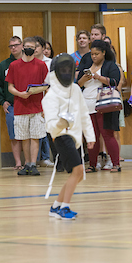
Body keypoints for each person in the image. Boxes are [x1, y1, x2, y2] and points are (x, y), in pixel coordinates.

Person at [44, 54, 96, 220]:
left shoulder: (74, 90)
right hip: (61, 136)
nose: (66, 72)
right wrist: (61, 122)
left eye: (69, 69)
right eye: (63, 69)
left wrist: (90, 136)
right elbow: (51, 125)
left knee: (78, 174)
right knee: (78, 170)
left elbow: (84, 114)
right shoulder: (50, 96)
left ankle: (56, 206)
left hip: (75, 137)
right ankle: (65, 208)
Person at [6, 37, 49, 176]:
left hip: (37, 106)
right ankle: (27, 163)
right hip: (20, 106)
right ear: (23, 47)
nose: (30, 49)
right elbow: (10, 87)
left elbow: (47, 86)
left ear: (36, 49)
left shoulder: (42, 65)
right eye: (27, 46)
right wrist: (20, 93)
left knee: (36, 136)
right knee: (24, 136)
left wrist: (45, 107)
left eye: (33, 47)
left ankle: (33, 164)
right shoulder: (14, 65)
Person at [77, 40, 121, 172]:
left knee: (107, 134)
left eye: (97, 54)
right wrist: (84, 79)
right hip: (87, 104)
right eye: (92, 54)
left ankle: (116, 163)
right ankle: (92, 164)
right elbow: (78, 83)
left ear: (103, 53)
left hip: (104, 104)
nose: (94, 56)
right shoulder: (87, 65)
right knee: (91, 136)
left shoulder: (110, 65)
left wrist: (98, 77)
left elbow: (114, 82)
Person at [0, 36, 24, 170]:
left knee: (29, 135)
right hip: (12, 105)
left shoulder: (28, 62)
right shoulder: (4, 65)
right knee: (14, 135)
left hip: (27, 104)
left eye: (16, 45)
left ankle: (30, 162)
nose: (13, 48)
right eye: (11, 46)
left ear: (22, 46)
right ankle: (18, 162)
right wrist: (2, 102)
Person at [34, 35, 55, 168]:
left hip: (49, 102)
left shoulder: (51, 63)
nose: (34, 49)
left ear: (43, 48)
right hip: (33, 102)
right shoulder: (28, 62)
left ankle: (53, 157)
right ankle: (32, 161)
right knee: (35, 132)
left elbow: (53, 83)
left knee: (50, 132)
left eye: (36, 46)